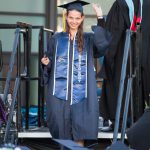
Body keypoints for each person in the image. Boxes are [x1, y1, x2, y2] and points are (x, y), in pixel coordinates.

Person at [41, 0, 111, 148]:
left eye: (77, 18)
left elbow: (103, 45)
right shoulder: (56, 39)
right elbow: (50, 64)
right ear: (66, 17)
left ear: (82, 18)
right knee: (63, 136)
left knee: (81, 134)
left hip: (83, 96)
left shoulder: (89, 40)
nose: (74, 21)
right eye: (71, 17)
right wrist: (46, 63)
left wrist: (100, 18)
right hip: (60, 96)